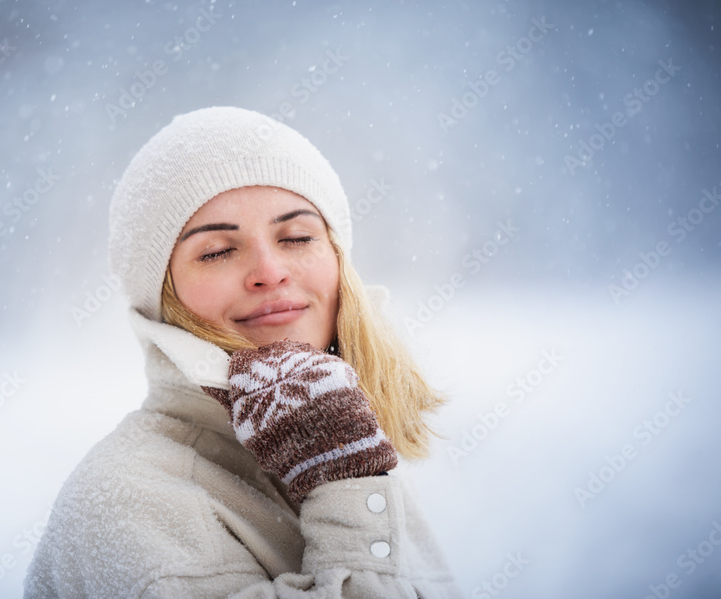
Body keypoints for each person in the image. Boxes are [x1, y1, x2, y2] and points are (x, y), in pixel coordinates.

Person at [24, 106, 463, 598]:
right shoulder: (126, 504)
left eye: (297, 237)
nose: (270, 270)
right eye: (216, 251)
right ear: (163, 297)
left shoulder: (345, 442)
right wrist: (344, 480)